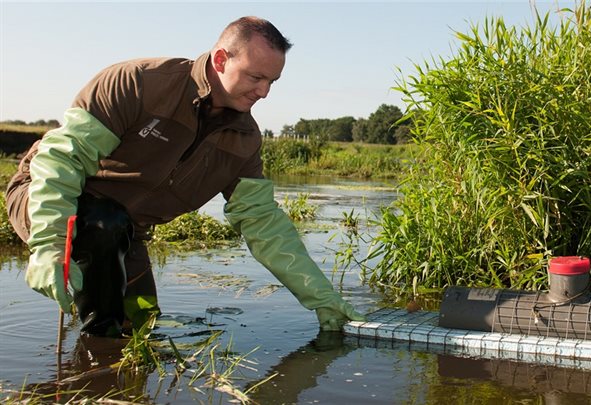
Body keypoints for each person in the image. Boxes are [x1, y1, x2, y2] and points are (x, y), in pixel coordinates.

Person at [4, 16, 365, 336]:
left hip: (126, 232)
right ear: (222, 59)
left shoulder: (245, 140)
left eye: (273, 81)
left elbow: (264, 225)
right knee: (107, 321)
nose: (265, 92)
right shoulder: (139, 84)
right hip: (48, 200)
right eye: (256, 77)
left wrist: (322, 298)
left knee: (142, 327)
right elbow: (60, 163)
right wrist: (50, 245)